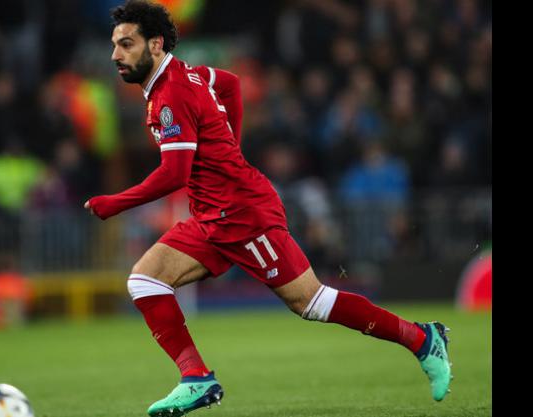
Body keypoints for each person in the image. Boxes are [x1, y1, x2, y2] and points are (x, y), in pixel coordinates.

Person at [84, 2, 452, 416]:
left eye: (126, 44)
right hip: (211, 215)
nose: (115, 54)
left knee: (311, 302)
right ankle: (196, 378)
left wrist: (114, 202)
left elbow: (174, 173)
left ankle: (422, 339)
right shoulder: (188, 74)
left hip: (244, 216)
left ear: (155, 44)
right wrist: (231, 148)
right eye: (115, 44)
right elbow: (230, 84)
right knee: (145, 281)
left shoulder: (172, 93)